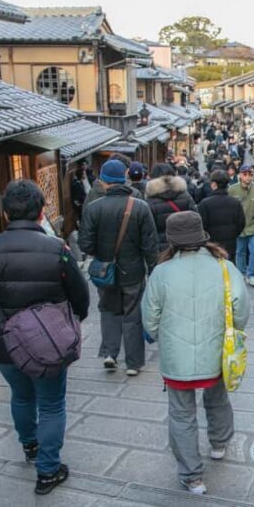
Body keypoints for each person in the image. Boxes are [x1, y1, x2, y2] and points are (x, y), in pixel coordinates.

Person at [0, 180, 90, 495]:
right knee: (51, 404)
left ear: (6, 214)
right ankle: (48, 471)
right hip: (48, 343)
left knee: (21, 396)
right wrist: (73, 320)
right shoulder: (57, 250)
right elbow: (80, 296)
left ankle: (30, 446)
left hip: (4, 343)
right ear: (41, 212)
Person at [142, 211, 249, 496]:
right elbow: (240, 307)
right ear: (202, 236)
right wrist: (233, 331)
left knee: (181, 413)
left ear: (172, 240)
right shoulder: (224, 267)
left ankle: (192, 477)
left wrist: (163, 337)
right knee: (217, 397)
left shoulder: (161, 272)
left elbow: (149, 318)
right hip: (216, 350)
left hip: (176, 357)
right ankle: (219, 443)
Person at [78, 160, 158, 376]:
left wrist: (101, 252)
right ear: (124, 179)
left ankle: (110, 353)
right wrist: (153, 269)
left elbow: (85, 244)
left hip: (105, 271)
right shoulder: (140, 207)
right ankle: (133, 363)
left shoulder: (94, 208)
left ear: (104, 181)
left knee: (108, 309)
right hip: (133, 271)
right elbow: (150, 245)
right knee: (132, 314)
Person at [145, 163, 198, 252]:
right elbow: (195, 218)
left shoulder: (150, 202)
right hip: (186, 245)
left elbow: (149, 231)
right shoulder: (185, 196)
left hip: (162, 249)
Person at [229, 165, 254, 287]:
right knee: (240, 251)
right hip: (239, 227)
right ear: (240, 175)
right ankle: (241, 273)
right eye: (245, 174)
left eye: (250, 174)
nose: (248, 177)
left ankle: (251, 274)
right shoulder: (232, 190)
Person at [197, 170, 246, 260]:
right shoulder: (235, 203)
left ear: (213, 184)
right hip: (230, 242)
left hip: (211, 244)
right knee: (228, 264)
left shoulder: (205, 204)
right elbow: (241, 223)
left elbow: (201, 225)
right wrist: (233, 234)